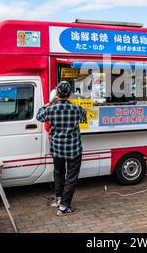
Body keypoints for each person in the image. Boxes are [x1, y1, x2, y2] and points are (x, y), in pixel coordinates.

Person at [36, 81, 87, 215]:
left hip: (57, 148)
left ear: (57, 94)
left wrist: (50, 103)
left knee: (58, 173)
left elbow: (39, 116)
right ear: (69, 94)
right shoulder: (76, 109)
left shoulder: (50, 109)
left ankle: (59, 199)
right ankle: (64, 207)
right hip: (73, 149)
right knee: (71, 177)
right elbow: (84, 117)